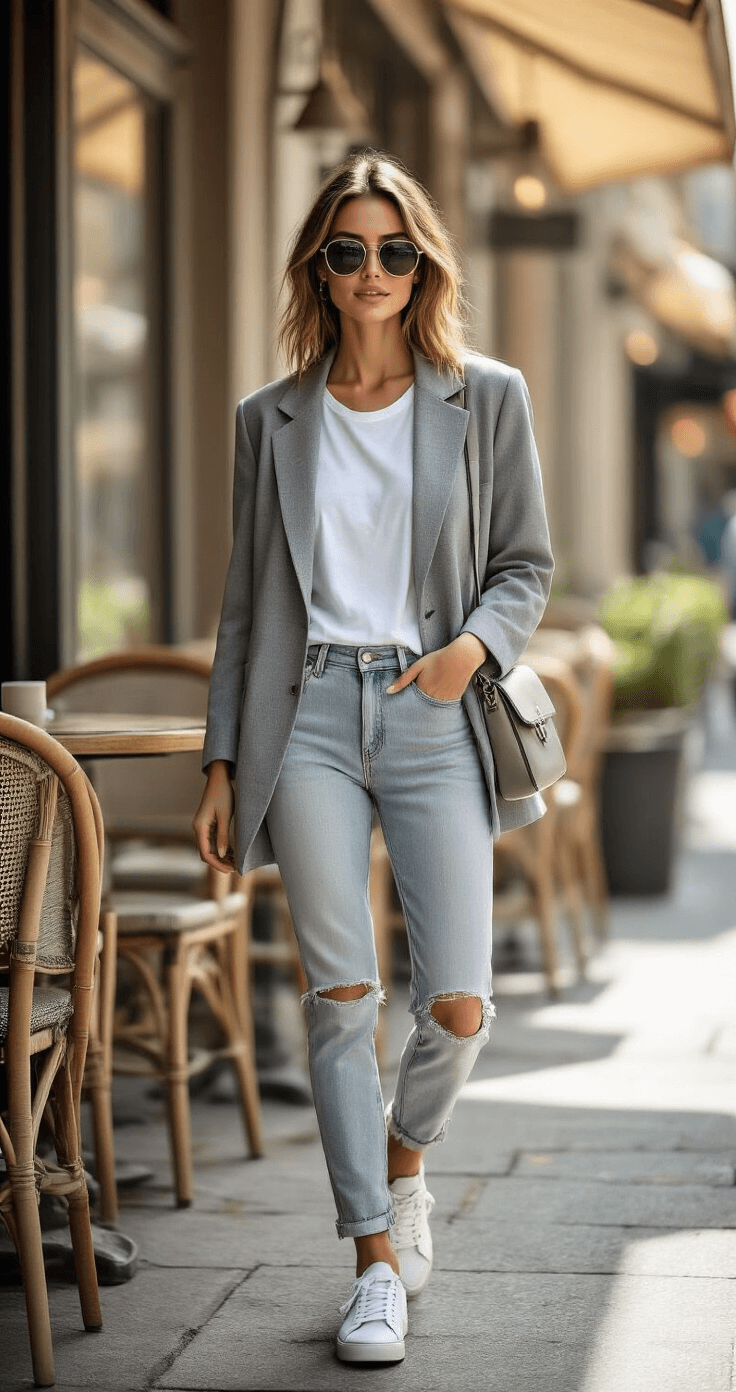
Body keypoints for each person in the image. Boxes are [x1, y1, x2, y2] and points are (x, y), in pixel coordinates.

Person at [193, 149, 553, 1364]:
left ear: (423, 264)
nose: (372, 271)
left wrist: (467, 653)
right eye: (347, 250)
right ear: (318, 267)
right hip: (301, 719)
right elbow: (245, 604)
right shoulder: (269, 419)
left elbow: (525, 565)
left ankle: (405, 1168)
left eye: (395, 250)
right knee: (342, 997)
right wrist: (221, 761)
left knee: (458, 1001)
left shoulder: (484, 397)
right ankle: (371, 1265)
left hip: (428, 706)